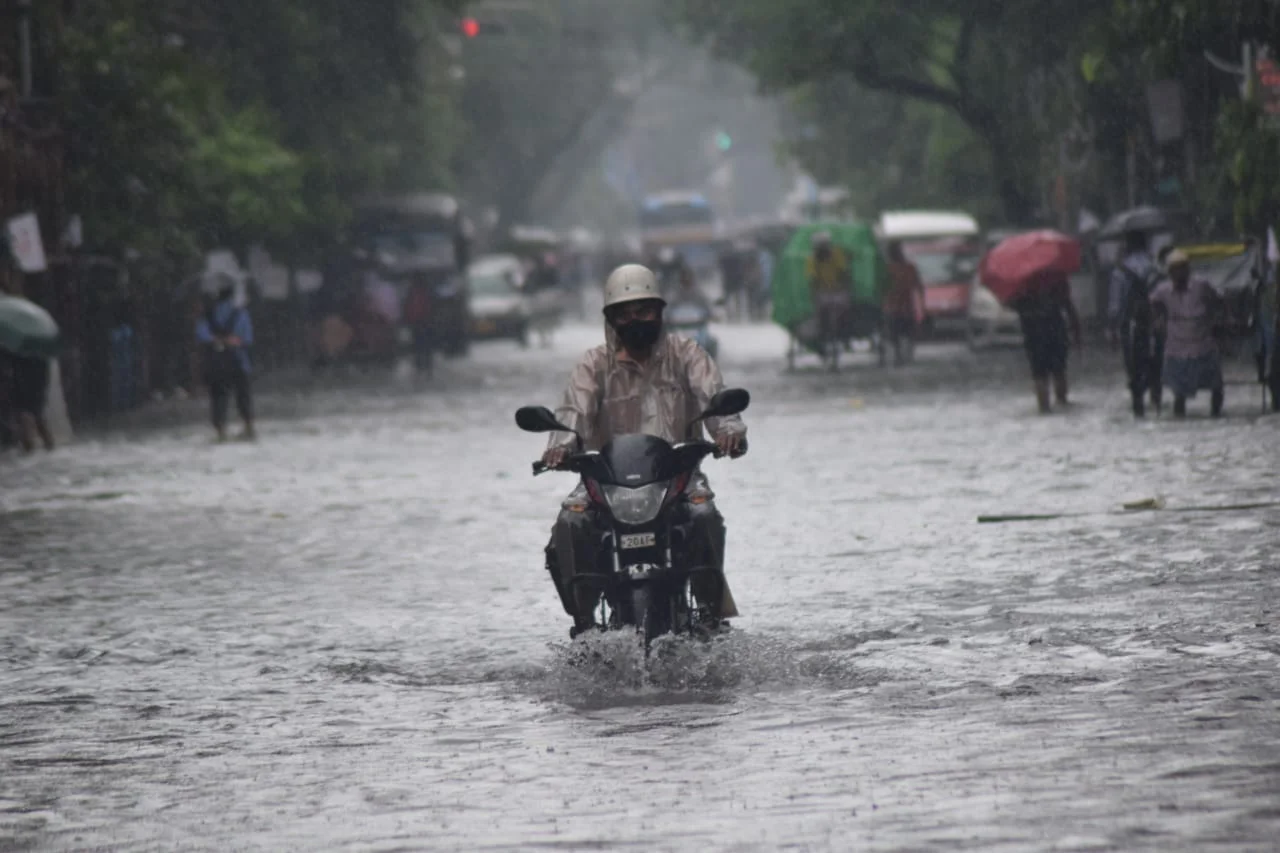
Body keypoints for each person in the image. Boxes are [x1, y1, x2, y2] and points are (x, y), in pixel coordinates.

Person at [542, 264, 747, 636]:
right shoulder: (593, 365)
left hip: (679, 478)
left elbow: (713, 395)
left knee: (704, 516)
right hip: (604, 483)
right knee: (571, 523)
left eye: (644, 311)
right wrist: (559, 446)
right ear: (611, 319)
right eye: (625, 313)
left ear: (659, 312)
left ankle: (709, 612)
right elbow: (574, 410)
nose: (635, 319)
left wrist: (728, 431)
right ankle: (584, 623)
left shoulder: (687, 354)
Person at [1151, 250, 1225, 417]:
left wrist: (1215, 318)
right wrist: (1158, 320)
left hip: (1202, 343)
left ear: (1188, 270)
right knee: (1179, 393)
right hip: (1177, 346)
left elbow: (1218, 300)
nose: (1179, 273)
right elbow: (1152, 303)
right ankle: (1180, 418)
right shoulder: (1163, 290)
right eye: (1174, 270)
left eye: (1182, 269)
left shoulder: (1201, 285)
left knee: (1216, 386)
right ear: (1169, 273)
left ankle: (1216, 414)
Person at [1012, 273, 1082, 413]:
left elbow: (1014, 305)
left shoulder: (1021, 281)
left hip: (1033, 331)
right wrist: (1076, 332)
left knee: (1039, 373)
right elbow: (1067, 304)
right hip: (1054, 328)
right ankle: (1062, 403)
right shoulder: (1056, 276)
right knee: (1059, 370)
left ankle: (1044, 409)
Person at [1110, 230, 1162, 417]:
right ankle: (1157, 401)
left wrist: (1114, 329)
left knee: (1134, 365)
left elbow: (1115, 306)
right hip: (1155, 323)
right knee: (1156, 363)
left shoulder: (1120, 271)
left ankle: (1138, 406)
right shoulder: (1156, 266)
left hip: (1131, 325)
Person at [196, 282, 255, 441]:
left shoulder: (207, 314)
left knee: (218, 397)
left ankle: (220, 430)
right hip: (239, 361)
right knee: (243, 395)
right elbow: (248, 339)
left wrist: (218, 340)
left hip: (216, 363)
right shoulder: (241, 313)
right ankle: (248, 426)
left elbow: (201, 335)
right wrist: (233, 341)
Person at [805, 231, 853, 366]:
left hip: (838, 292)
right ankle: (822, 339)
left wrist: (845, 288)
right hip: (822, 293)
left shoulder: (836, 255)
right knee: (820, 317)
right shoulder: (812, 259)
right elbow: (812, 280)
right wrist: (814, 295)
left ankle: (844, 334)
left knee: (844, 312)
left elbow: (844, 273)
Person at [882, 241, 926, 366]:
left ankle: (901, 356)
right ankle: (902, 356)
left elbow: (918, 287)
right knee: (901, 334)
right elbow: (919, 287)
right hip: (898, 307)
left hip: (900, 307)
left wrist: (922, 304)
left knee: (900, 333)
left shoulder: (901, 268)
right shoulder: (902, 268)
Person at [3, 352, 54, 452]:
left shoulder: (17, 350)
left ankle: (30, 448)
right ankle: (49, 447)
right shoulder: (41, 348)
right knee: (38, 416)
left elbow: (10, 362)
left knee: (25, 416)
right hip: (37, 385)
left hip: (23, 384)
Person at [403, 275, 434, 377]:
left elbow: (409, 309)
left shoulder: (414, 293)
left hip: (419, 323)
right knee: (423, 346)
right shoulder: (423, 293)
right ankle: (424, 366)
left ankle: (422, 366)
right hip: (422, 323)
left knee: (420, 345)